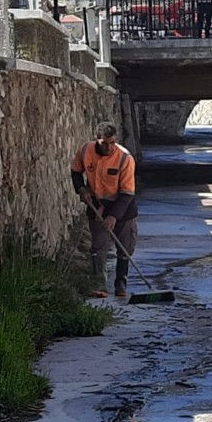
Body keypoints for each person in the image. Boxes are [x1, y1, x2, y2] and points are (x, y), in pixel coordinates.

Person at [70, 122, 138, 298]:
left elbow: (127, 192)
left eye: (112, 143)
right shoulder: (85, 151)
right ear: (96, 140)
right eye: (104, 144)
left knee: (125, 246)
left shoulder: (125, 158)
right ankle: (99, 284)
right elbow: (76, 172)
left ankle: (121, 284)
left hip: (123, 207)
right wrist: (81, 189)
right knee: (98, 246)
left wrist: (114, 216)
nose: (108, 147)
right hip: (97, 205)